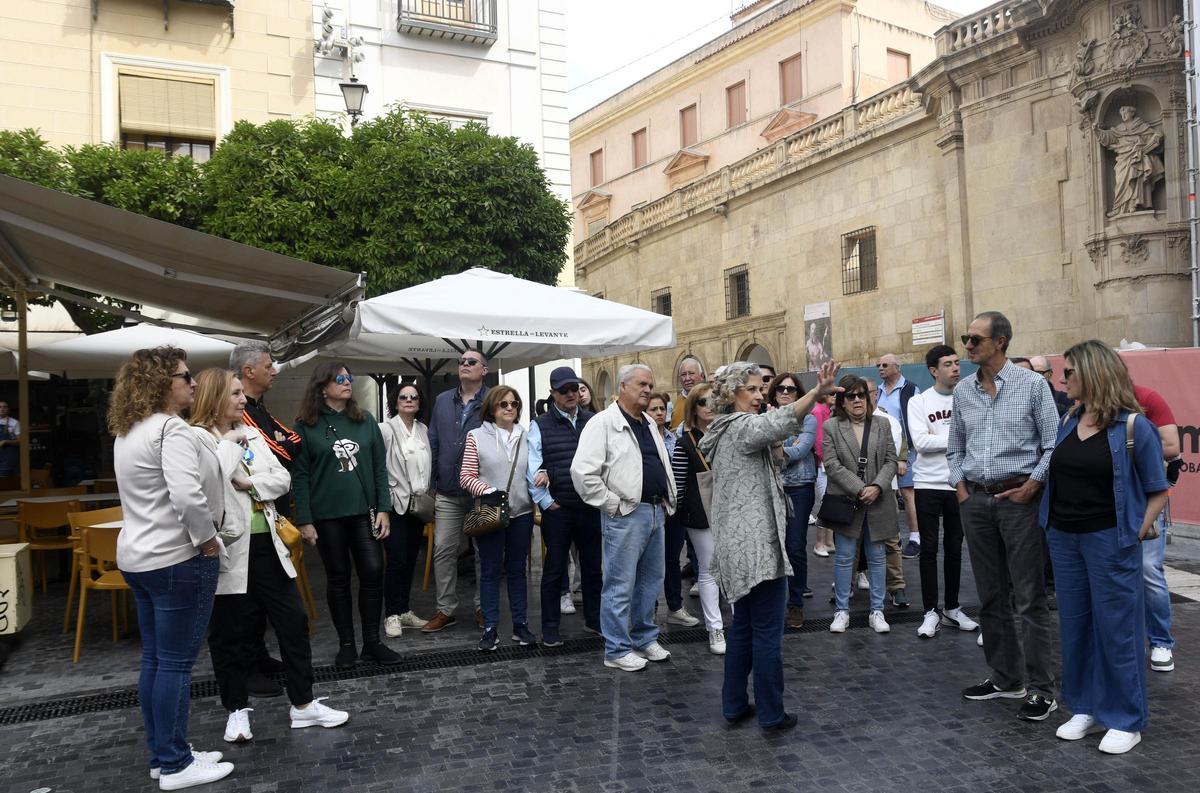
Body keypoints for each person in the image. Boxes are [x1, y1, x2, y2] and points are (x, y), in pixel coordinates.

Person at [189, 369, 348, 746]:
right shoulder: (196, 438)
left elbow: (282, 478)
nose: (243, 400)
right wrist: (229, 445)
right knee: (229, 634)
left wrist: (250, 483)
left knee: (293, 622)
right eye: (235, 394)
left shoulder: (253, 433)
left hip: (268, 546)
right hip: (227, 549)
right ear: (215, 397)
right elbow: (210, 483)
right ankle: (236, 710)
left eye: (242, 393)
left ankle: (303, 704)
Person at [110, 347, 233, 789]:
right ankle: (176, 764)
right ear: (162, 383)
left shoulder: (128, 432)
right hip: (177, 559)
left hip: (138, 558)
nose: (194, 383)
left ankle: (163, 756)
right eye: (185, 376)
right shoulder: (170, 429)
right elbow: (186, 495)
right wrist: (208, 540)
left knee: (157, 661)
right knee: (176, 665)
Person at [1042, 340, 1168, 755]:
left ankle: (1126, 718)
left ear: (1093, 373)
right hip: (1064, 538)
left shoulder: (1134, 427)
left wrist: (1135, 533)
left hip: (1110, 539)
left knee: (1117, 630)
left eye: (1069, 372)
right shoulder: (1069, 419)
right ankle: (1086, 707)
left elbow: (1158, 490)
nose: (1062, 379)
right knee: (1075, 627)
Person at [700, 360, 839, 731]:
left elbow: (775, 448)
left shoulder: (726, 428)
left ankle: (734, 705)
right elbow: (780, 421)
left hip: (740, 545)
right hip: (756, 548)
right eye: (752, 389)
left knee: (744, 627)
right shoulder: (740, 426)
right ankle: (772, 713)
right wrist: (816, 392)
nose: (760, 395)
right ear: (732, 394)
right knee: (765, 632)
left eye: (762, 388)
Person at [948, 310, 1060, 722]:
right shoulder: (964, 391)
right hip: (976, 502)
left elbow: (1052, 444)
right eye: (966, 338)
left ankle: (1042, 689)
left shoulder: (1032, 385)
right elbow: (955, 448)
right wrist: (961, 489)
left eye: (975, 339)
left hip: (1019, 501)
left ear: (1001, 342)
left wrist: (1032, 486)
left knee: (1029, 597)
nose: (968, 345)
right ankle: (1006, 678)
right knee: (990, 596)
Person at [571, 363, 676, 672]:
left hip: (655, 510)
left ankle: (644, 638)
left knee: (649, 582)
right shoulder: (603, 423)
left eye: (650, 385)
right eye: (642, 384)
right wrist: (612, 505)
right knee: (619, 584)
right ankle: (616, 649)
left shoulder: (648, 422)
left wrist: (666, 501)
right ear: (623, 387)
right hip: (626, 513)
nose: (648, 390)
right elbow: (582, 473)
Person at [292, 362, 398, 669]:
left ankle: (372, 643)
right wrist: (305, 519)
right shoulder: (305, 426)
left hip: (365, 513)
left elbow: (379, 468)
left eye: (349, 377)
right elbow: (300, 476)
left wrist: (384, 508)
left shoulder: (365, 421)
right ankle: (347, 645)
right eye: (340, 378)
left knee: (373, 571)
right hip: (327, 516)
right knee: (338, 577)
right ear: (323, 386)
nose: (347, 382)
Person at [229, 341, 298, 697]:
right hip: (242, 526)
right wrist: (278, 444)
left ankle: (258, 656)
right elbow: (282, 450)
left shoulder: (259, 412)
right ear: (248, 370)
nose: (274, 371)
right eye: (269, 365)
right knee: (246, 602)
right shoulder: (237, 421)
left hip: (268, 519)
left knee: (262, 600)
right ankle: (247, 667)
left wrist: (278, 446)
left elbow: (291, 448)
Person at [528, 366, 603, 646]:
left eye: (574, 388)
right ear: (553, 393)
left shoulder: (593, 421)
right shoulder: (539, 425)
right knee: (555, 569)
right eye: (564, 390)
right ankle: (550, 628)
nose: (571, 394)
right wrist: (547, 503)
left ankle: (594, 620)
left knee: (593, 568)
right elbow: (532, 467)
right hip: (559, 509)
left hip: (590, 507)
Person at [459, 385, 538, 650]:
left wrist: (542, 476)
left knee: (517, 571)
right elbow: (466, 476)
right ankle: (490, 628)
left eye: (514, 404)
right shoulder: (476, 436)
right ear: (492, 408)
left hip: (521, 513)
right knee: (490, 571)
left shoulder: (527, 436)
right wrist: (491, 492)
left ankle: (520, 625)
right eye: (503, 404)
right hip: (490, 513)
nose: (510, 408)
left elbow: (535, 468)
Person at [907, 345, 978, 638]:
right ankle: (930, 612)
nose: (955, 368)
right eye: (947, 364)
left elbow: (976, 436)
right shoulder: (919, 401)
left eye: (957, 362)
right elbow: (921, 443)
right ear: (934, 371)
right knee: (929, 549)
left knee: (954, 548)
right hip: (927, 484)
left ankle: (951, 608)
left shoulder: (969, 397)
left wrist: (940, 436)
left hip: (958, 483)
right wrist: (958, 437)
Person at [824, 374, 899, 635]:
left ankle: (877, 610)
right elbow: (831, 464)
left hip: (878, 501)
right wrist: (859, 488)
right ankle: (842, 610)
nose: (857, 400)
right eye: (851, 396)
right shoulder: (831, 427)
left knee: (877, 557)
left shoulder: (882, 424)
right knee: (844, 557)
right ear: (842, 401)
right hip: (848, 500)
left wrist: (876, 487)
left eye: (861, 395)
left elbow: (891, 460)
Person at [424, 351, 490, 632]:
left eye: (471, 362)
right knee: (443, 549)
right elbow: (433, 440)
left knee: (483, 551)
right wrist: (432, 482)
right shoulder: (442, 400)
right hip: (448, 490)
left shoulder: (493, 399)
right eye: (461, 361)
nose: (464, 364)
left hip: (481, 491)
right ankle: (446, 609)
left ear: (484, 370)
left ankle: (484, 607)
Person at [670, 382, 725, 652]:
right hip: (699, 513)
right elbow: (678, 484)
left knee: (731, 567)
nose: (709, 406)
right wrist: (681, 515)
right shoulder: (685, 442)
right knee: (709, 568)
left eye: (713, 400)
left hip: (730, 510)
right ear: (693, 408)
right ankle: (715, 628)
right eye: (703, 402)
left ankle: (739, 623)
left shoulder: (728, 433)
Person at [1133, 383, 1181, 673]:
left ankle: (1161, 642)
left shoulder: (1146, 397)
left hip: (1143, 498)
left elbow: (1173, 447)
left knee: (1149, 569)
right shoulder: (1084, 405)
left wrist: (1127, 446)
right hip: (1101, 503)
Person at [379, 383, 433, 637]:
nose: (409, 400)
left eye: (414, 396)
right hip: (395, 504)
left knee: (411, 559)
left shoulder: (423, 430)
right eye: (403, 397)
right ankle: (391, 614)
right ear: (395, 401)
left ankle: (404, 610)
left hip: (418, 505)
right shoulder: (385, 429)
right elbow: (377, 467)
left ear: (419, 402)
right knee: (397, 559)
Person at [767, 373, 818, 627]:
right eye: (781, 388)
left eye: (791, 389)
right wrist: (783, 446)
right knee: (772, 546)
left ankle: (795, 604)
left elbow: (799, 451)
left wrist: (775, 446)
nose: (785, 392)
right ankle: (773, 602)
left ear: (799, 393)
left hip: (799, 487)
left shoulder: (807, 418)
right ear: (774, 393)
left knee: (795, 546)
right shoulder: (765, 418)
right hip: (771, 487)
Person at [649, 390, 697, 628]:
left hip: (675, 509)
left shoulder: (674, 438)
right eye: (653, 409)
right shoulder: (643, 439)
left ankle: (675, 607)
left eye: (662, 408)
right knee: (649, 561)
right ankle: (649, 610)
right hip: (653, 508)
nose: (659, 413)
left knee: (672, 559)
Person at [876, 354, 921, 561]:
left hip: (906, 450)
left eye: (885, 365)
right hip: (882, 451)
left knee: (907, 492)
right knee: (888, 494)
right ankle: (893, 539)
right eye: (878, 365)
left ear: (897, 367)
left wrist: (905, 454)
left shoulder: (910, 389)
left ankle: (915, 538)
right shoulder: (877, 391)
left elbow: (916, 419)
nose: (880, 368)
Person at [811, 392, 837, 557]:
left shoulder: (827, 411)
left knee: (831, 502)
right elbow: (819, 440)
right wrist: (826, 460)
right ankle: (820, 543)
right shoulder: (819, 411)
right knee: (825, 503)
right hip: (824, 464)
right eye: (831, 393)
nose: (834, 395)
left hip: (829, 463)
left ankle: (829, 542)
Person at [669, 355, 705, 430]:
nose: (687, 378)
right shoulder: (678, 401)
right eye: (683, 374)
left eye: (691, 373)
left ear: (701, 376)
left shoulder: (709, 398)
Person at [0, 399, 19, 477]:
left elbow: (21, 440)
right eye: (0, 407)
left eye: (4, 407)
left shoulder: (14, 422)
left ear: (8, 409)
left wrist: (5, 441)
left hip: (8, 459)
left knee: (5, 481)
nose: (2, 409)